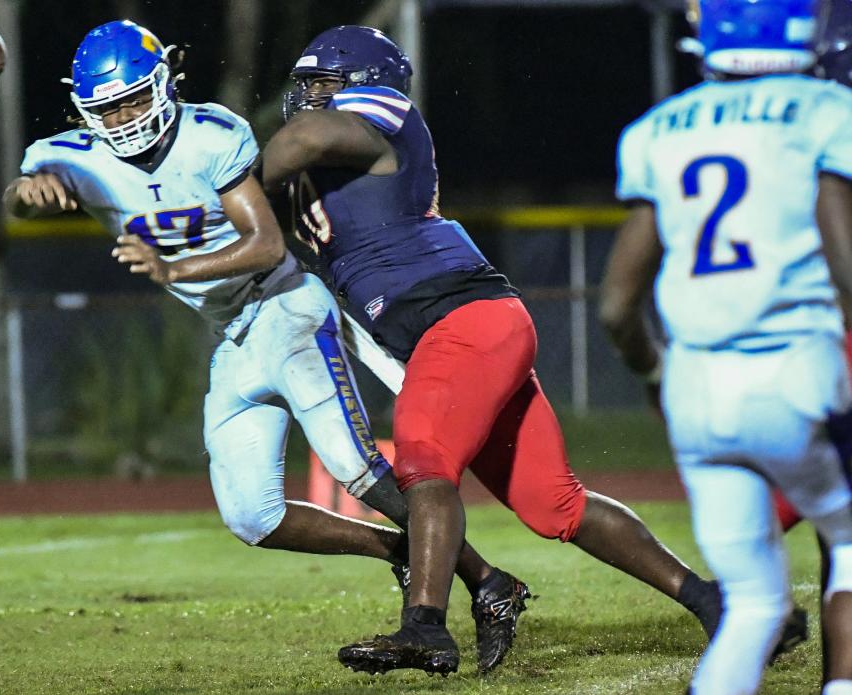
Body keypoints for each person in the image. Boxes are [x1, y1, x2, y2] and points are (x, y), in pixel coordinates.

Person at [1, 19, 532, 674]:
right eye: (111, 107)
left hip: (284, 306)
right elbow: (21, 197)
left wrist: (173, 270)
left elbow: (266, 244)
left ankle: (486, 584)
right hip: (233, 336)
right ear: (87, 110)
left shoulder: (213, 133)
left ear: (165, 82)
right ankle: (401, 552)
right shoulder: (71, 155)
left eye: (137, 98)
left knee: (353, 463)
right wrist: (28, 192)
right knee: (252, 516)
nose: (128, 117)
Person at [262, 25, 727, 677]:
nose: (308, 100)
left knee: (422, 453)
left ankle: (424, 626)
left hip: (462, 317)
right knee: (555, 504)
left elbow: (306, 137)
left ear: (364, 88)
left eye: (323, 86)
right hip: (467, 326)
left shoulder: (380, 116)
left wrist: (245, 179)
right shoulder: (316, 174)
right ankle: (713, 602)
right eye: (306, 86)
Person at [599, 0, 852, 691]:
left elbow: (618, 304)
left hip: (698, 389)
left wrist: (656, 376)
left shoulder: (658, 129)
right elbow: (846, 261)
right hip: (794, 368)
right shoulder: (826, 109)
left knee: (754, 605)